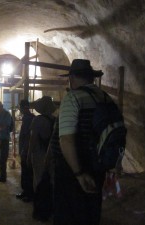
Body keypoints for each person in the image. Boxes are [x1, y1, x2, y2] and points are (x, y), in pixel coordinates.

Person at [57, 59, 106, 225]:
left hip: (75, 168)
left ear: (71, 78)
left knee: (71, 214)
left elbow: (67, 139)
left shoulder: (73, 97)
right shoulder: (105, 97)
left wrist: (78, 173)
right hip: (98, 165)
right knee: (92, 212)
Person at [28, 96, 56, 221]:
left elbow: (33, 140)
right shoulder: (55, 120)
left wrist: (28, 154)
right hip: (52, 155)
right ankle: (51, 209)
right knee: (51, 181)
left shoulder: (37, 121)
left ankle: (40, 210)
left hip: (39, 154)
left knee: (38, 181)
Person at [16, 99, 35, 202]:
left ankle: (29, 193)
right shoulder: (27, 118)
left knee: (28, 172)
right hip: (24, 148)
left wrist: (25, 150)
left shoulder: (30, 118)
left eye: (20, 107)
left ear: (24, 108)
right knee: (24, 171)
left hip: (27, 149)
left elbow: (29, 136)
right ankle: (25, 191)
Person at [0, 101, 12, 182]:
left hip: (4, 139)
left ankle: (3, 177)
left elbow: (4, 127)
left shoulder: (7, 114)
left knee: (3, 158)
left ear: (2, 106)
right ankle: (1, 174)